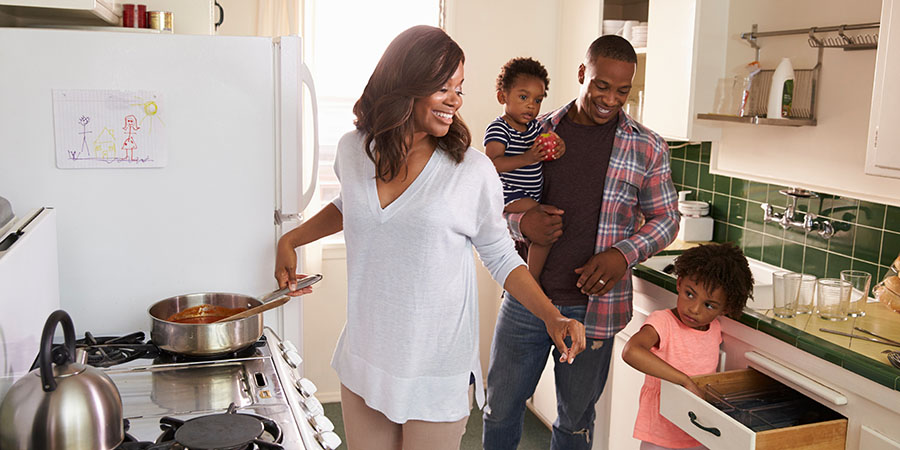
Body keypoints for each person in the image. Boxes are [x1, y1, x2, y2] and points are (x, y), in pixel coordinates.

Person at [273, 25, 585, 450]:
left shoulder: (471, 171)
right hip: (367, 357)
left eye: (459, 88)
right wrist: (292, 239)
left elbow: (499, 254)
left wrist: (552, 316)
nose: (456, 100)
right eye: (443, 87)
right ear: (405, 84)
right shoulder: (353, 149)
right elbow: (353, 207)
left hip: (437, 369)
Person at [483, 34, 680, 450]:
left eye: (622, 90)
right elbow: (490, 205)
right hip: (527, 298)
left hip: (596, 309)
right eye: (601, 85)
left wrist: (621, 255)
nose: (610, 98)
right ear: (581, 74)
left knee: (575, 423)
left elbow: (667, 219)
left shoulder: (647, 146)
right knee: (499, 411)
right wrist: (523, 224)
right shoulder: (536, 133)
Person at [622, 243, 754, 450]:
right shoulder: (663, 322)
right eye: (690, 294)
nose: (694, 309)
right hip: (661, 435)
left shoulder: (715, 329)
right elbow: (631, 351)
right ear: (680, 283)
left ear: (726, 308)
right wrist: (685, 381)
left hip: (699, 431)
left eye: (709, 305)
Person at [484, 57, 565, 282]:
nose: (531, 105)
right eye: (523, 97)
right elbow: (492, 163)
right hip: (508, 191)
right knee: (544, 224)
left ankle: (530, 276)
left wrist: (559, 146)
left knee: (543, 232)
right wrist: (528, 158)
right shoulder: (499, 128)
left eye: (538, 100)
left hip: (529, 194)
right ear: (503, 97)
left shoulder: (535, 127)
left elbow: (547, 148)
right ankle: (532, 280)